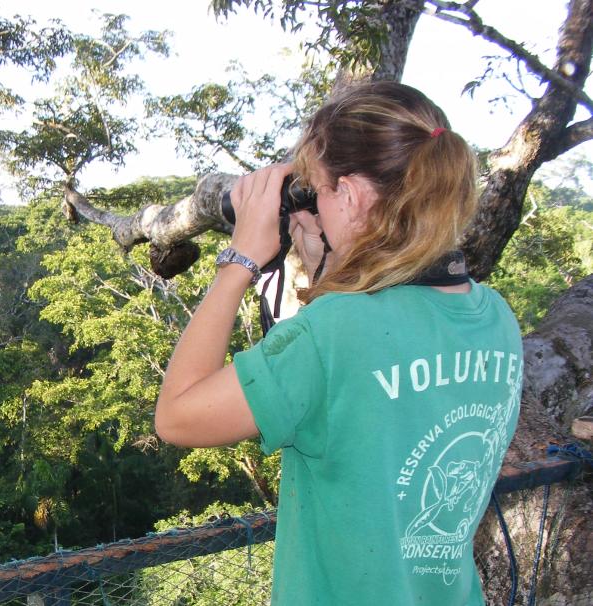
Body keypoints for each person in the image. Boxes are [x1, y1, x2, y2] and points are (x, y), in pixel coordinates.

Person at [154, 81, 522, 605]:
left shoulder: (335, 331)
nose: (317, 206)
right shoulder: (495, 317)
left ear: (349, 196)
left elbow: (176, 415)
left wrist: (240, 261)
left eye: (321, 192)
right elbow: (366, 405)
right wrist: (327, 262)